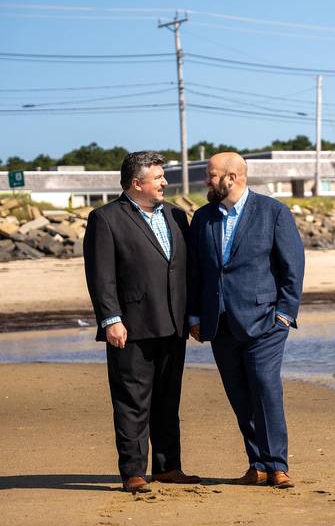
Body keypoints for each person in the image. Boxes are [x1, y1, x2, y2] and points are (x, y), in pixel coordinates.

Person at [82, 151, 200, 493]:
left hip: (174, 325)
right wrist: (111, 320)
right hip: (130, 327)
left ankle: (168, 467)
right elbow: (100, 276)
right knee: (133, 401)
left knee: (168, 400)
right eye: (159, 177)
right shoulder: (105, 218)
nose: (165, 182)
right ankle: (133, 471)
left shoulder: (177, 216)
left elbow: (184, 271)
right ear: (137, 183)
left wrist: (192, 316)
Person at [188, 152, 305, 489]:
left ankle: (277, 465)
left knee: (266, 389)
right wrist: (195, 315)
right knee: (240, 395)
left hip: (264, 321)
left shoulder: (273, 212)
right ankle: (257, 464)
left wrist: (284, 314)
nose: (206, 181)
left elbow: (292, 267)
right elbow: (197, 272)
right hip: (219, 323)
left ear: (233, 177)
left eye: (211, 175)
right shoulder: (203, 218)